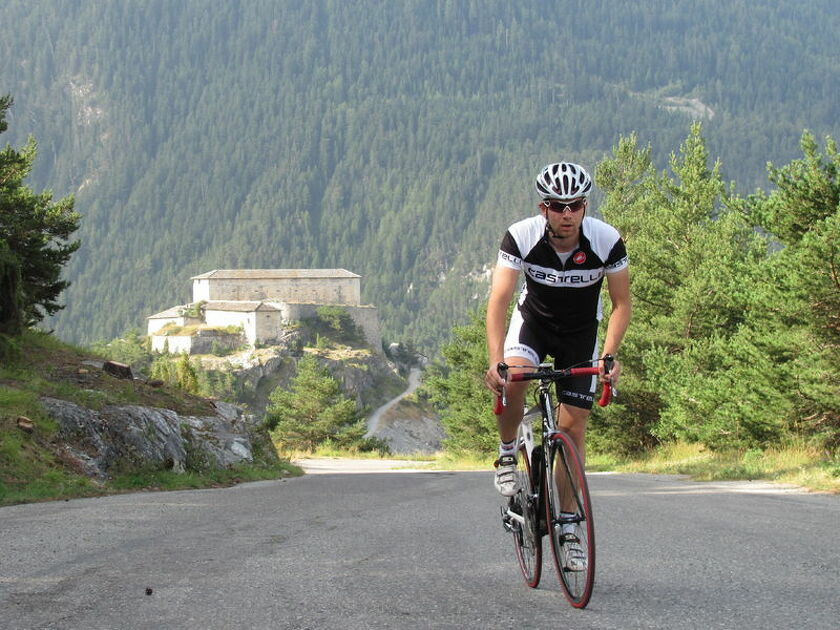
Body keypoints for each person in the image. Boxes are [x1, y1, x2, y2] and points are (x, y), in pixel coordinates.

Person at [484, 162, 631, 498]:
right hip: (533, 325)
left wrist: (609, 356)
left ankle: (568, 530)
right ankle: (507, 452)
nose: (568, 214)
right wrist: (495, 360)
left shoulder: (606, 241)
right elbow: (499, 300)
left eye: (576, 206)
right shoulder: (521, 236)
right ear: (543, 208)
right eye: (558, 207)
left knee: (573, 427)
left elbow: (622, 304)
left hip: (580, 334)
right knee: (514, 376)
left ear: (585, 207)